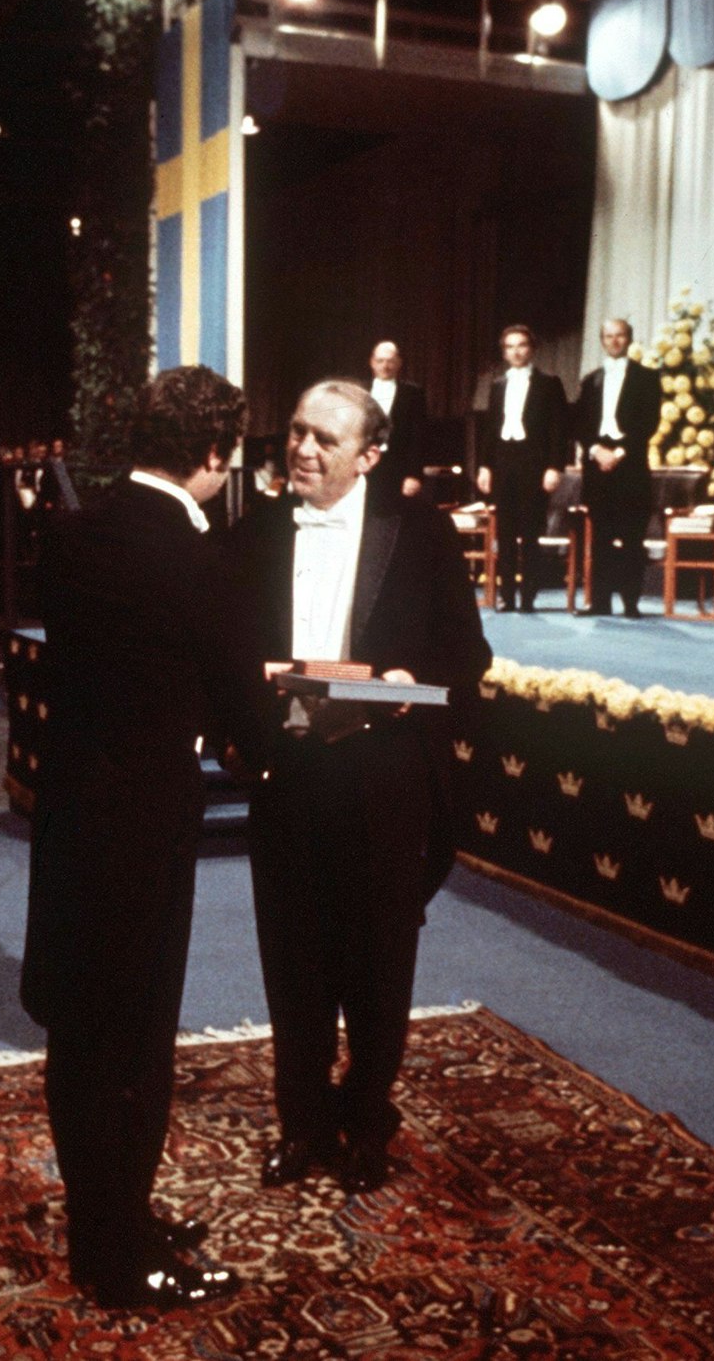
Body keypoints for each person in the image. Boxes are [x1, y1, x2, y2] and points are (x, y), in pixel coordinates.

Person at [20, 367, 256, 1309]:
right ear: (214, 455)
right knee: (135, 1046)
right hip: (147, 828)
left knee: (84, 1035)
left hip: (71, 813)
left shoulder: (72, 536)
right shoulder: (202, 562)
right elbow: (240, 709)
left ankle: (106, 1216)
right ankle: (119, 1256)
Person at [235, 381, 492, 1195]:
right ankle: (302, 1122)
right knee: (293, 961)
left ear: (370, 456)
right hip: (288, 775)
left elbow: (469, 656)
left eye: (325, 441)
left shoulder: (420, 534)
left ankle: (366, 1118)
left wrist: (414, 680)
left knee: (379, 966)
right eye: (297, 431)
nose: (302, 450)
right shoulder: (256, 530)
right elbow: (228, 645)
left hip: (384, 777)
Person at [572, 318, 663, 617]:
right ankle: (599, 602)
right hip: (598, 467)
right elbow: (581, 425)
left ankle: (630, 602)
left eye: (619, 335)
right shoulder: (590, 380)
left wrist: (619, 453)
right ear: (602, 340)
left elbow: (649, 423)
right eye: (608, 336)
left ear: (629, 339)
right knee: (600, 537)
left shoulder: (647, 378)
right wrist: (598, 452)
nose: (613, 341)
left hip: (630, 466)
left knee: (631, 537)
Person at [476, 325, 566, 610]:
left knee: (530, 531)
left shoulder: (549, 383)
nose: (516, 351)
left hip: (533, 461)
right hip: (503, 460)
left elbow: (557, 430)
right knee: (505, 532)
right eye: (510, 346)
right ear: (504, 352)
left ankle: (528, 595)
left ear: (532, 348)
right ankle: (507, 595)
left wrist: (554, 467)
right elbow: (490, 429)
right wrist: (485, 466)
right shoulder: (497, 385)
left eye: (521, 345)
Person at [365, 340, 427, 498]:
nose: (385, 366)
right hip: (363, 466)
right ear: (372, 362)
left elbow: (418, 436)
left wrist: (414, 474)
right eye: (380, 361)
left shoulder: (413, 393)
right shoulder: (359, 391)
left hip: (398, 469)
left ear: (399, 363)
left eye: (390, 361)